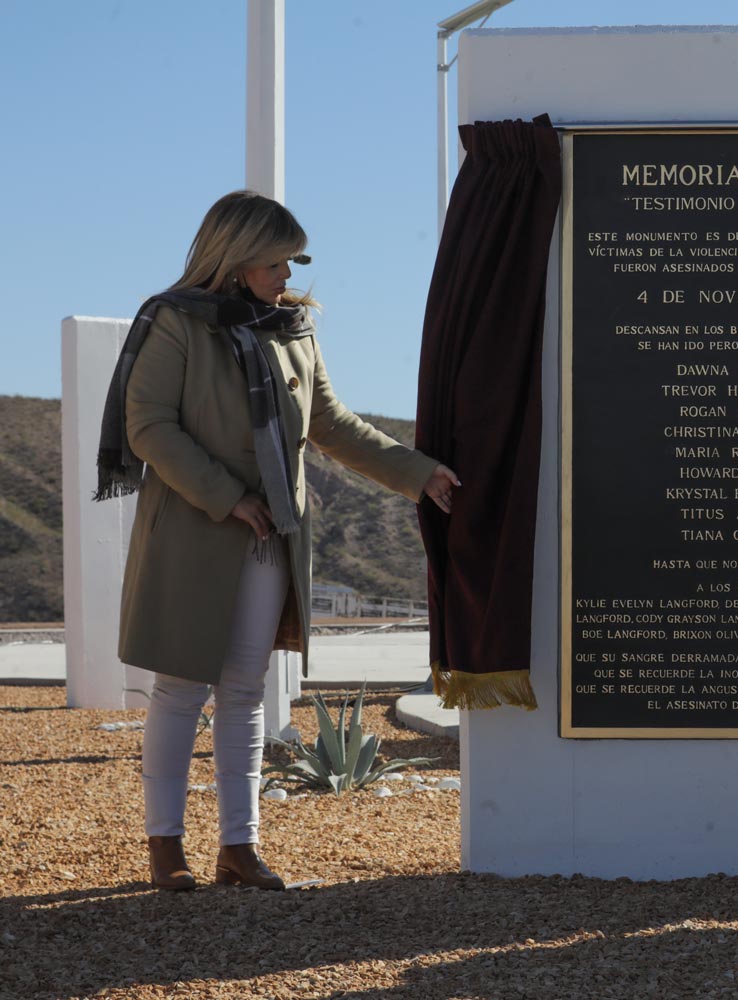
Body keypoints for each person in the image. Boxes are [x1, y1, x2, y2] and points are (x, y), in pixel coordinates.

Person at [95, 190, 461, 891]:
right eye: (276, 262)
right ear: (234, 260)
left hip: (273, 536)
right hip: (196, 532)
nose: (289, 276)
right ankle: (165, 850)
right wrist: (229, 498)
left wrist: (418, 474)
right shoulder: (173, 322)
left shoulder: (293, 329)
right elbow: (149, 427)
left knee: (244, 690)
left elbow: (331, 423)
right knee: (178, 689)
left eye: (295, 261)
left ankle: (240, 848)